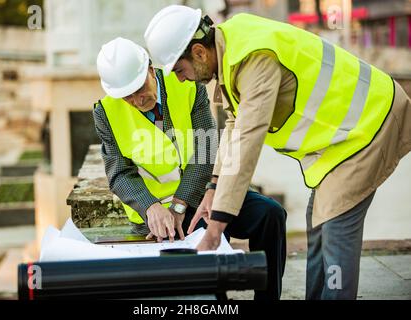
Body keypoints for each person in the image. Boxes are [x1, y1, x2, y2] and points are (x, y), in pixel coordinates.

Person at [144, 5, 411, 300]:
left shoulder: (254, 57)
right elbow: (235, 125)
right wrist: (213, 187)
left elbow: (248, 140)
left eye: (180, 70)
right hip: (345, 138)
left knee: (334, 228)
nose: (180, 79)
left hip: (371, 123)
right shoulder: (232, 44)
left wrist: (216, 227)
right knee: (318, 220)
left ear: (199, 52)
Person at [94, 37, 287, 300]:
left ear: (150, 69)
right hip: (156, 215)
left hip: (200, 195)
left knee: (270, 214)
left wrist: (180, 204)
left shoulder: (186, 85)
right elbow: (118, 173)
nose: (137, 101)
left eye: (140, 90)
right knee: (206, 273)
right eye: (127, 97)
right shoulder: (104, 113)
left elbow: (206, 150)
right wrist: (151, 207)